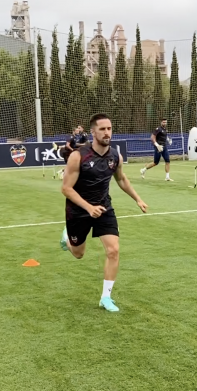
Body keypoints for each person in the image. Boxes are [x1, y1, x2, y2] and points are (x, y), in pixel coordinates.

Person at [60, 113, 148, 312]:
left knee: (113, 250)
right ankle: (67, 237)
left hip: (103, 208)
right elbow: (66, 189)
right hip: (78, 211)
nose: (107, 132)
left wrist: (138, 199)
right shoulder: (78, 156)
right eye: (102, 129)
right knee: (78, 254)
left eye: (109, 128)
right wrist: (88, 208)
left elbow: (122, 179)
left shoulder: (115, 156)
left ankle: (105, 297)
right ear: (92, 132)